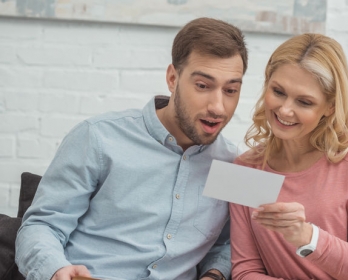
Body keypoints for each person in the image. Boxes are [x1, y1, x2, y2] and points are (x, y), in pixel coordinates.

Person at [16, 17, 248, 280]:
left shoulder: (232, 164)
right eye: (203, 86)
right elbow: (42, 225)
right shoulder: (99, 137)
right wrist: (56, 270)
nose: (218, 107)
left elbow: (229, 244)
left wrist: (214, 274)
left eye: (230, 90)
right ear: (173, 78)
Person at [229, 33, 348, 280]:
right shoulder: (245, 169)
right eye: (278, 91)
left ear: (329, 106)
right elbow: (246, 271)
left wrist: (307, 237)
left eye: (304, 102)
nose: (285, 110)